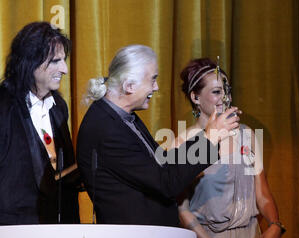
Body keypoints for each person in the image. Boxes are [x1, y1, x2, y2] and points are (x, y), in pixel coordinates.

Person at [76, 45, 239, 226]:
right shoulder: (106, 129)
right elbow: (165, 182)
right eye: (153, 80)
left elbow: (162, 163)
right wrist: (209, 139)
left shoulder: (122, 116)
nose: (156, 87)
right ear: (129, 86)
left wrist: (207, 138)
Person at [176, 58, 285, 238]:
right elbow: (181, 209)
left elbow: (262, 192)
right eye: (216, 91)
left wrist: (275, 224)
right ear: (195, 97)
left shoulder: (246, 135)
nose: (225, 97)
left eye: (227, 90)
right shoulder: (183, 143)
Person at [0, 22, 80, 224]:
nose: (65, 69)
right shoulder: (3, 105)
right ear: (30, 62)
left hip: (55, 227)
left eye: (64, 60)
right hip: (13, 230)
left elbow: (61, 171)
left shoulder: (59, 106)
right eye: (55, 61)